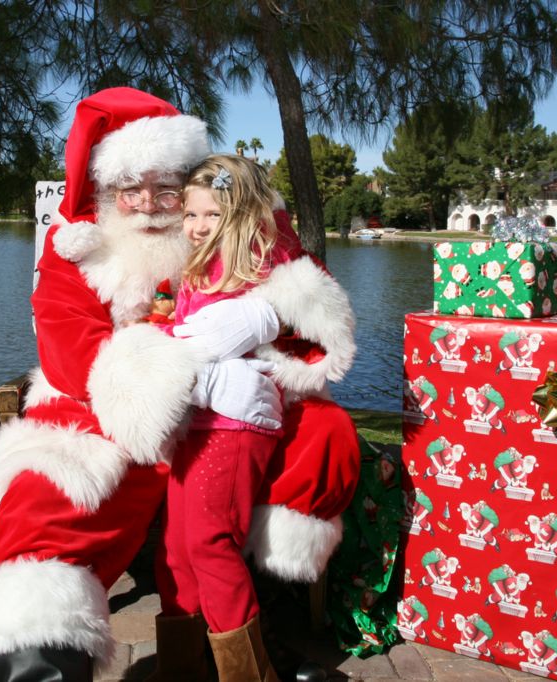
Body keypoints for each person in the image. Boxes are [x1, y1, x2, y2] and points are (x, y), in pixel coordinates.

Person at [0, 87, 360, 681]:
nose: (148, 205)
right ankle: (40, 652)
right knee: (55, 488)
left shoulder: (243, 225)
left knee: (321, 435)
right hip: (108, 401)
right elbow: (70, 352)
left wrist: (266, 313)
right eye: (130, 189)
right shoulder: (77, 249)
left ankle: (262, 625)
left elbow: (307, 306)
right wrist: (168, 372)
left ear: (191, 182)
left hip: (233, 403)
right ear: (105, 192)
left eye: (166, 188)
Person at [153, 155, 345, 681]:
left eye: (210, 215)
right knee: (175, 547)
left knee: (210, 545)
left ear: (238, 216)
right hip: (197, 421)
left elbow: (297, 289)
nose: (195, 226)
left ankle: (247, 673)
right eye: (190, 215)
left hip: (236, 425)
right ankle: (183, 667)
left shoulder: (257, 264)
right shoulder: (197, 267)